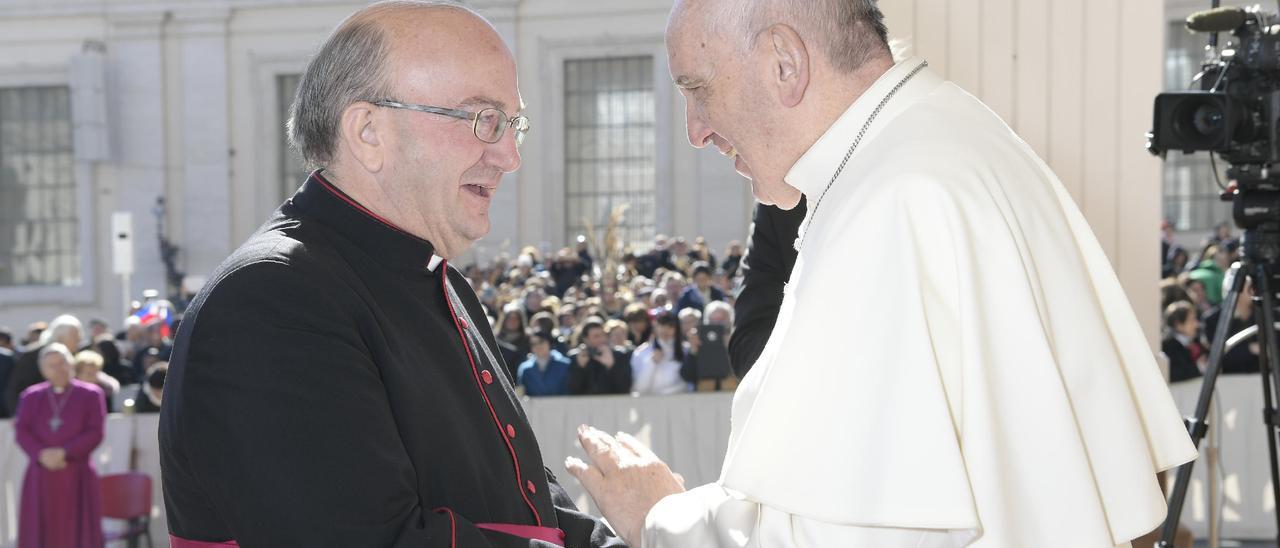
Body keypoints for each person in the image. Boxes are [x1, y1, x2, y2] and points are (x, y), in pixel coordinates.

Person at [565, 1, 1197, 546]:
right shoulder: (946, 135)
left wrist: (660, 521)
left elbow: (846, 533)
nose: (695, 131)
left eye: (696, 87)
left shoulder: (889, 206)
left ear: (784, 61)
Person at [159, 2, 621, 546]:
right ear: (369, 131)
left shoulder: (441, 284)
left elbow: (518, 499)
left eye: (513, 123)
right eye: (483, 119)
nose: (509, 155)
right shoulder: (271, 299)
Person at [15, 343, 105, 548]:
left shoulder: (91, 394)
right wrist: (40, 454)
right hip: (41, 473)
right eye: (51, 365)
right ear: (43, 370)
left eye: (62, 363)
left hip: (77, 471)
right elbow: (21, 431)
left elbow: (95, 431)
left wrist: (66, 452)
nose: (58, 369)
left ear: (71, 363)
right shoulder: (30, 396)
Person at [7, 314, 82, 415]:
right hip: (37, 416)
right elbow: (15, 389)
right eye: (75, 337)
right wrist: (19, 417)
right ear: (61, 337)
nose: (79, 341)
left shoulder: (76, 357)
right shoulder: (32, 356)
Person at [630, 311, 690, 396]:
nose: (665, 330)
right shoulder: (641, 352)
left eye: (670, 326)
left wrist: (665, 394)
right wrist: (651, 363)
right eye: (662, 325)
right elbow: (639, 388)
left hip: (677, 402)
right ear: (655, 326)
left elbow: (686, 384)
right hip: (649, 404)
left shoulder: (685, 350)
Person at [567, 319, 632, 395]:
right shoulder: (575, 357)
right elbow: (571, 390)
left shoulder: (620, 355)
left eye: (603, 335)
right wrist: (580, 368)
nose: (602, 339)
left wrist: (612, 366)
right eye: (596, 336)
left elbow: (625, 388)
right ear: (586, 339)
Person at [517, 330, 572, 396]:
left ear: (549, 342)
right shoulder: (524, 368)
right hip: (533, 406)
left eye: (541, 341)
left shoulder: (565, 365)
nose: (538, 346)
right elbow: (521, 394)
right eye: (533, 344)